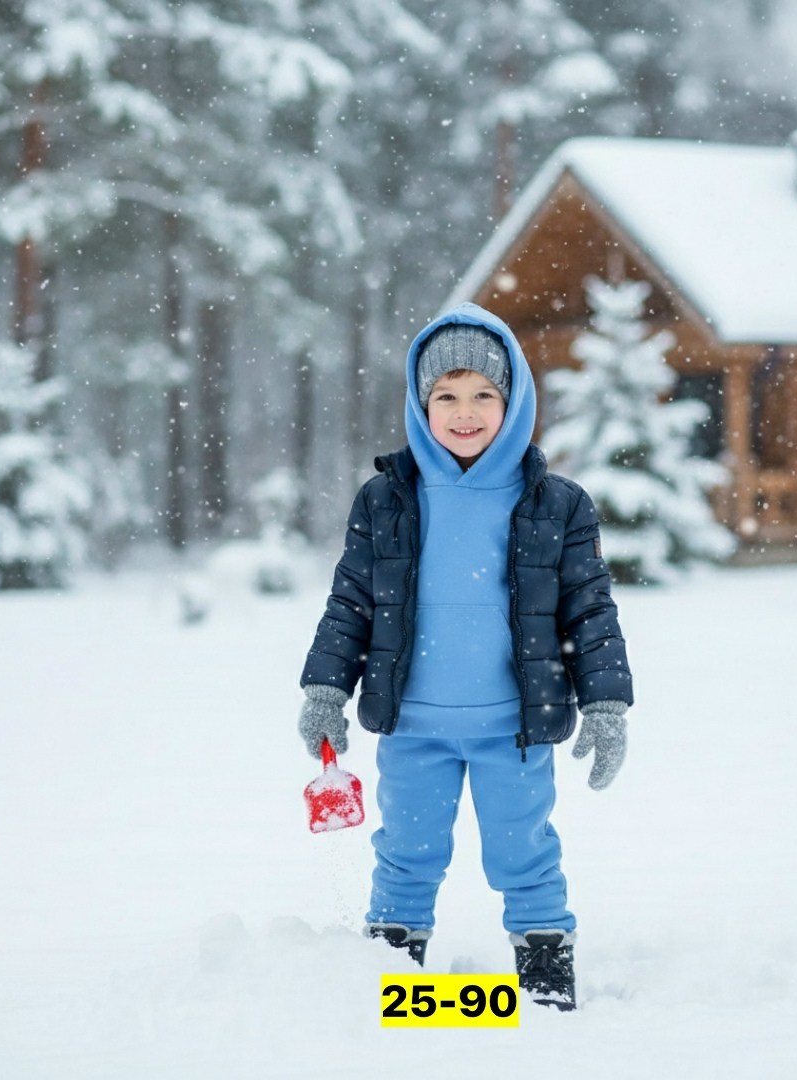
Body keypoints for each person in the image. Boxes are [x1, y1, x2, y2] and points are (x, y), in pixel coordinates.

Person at [298, 302, 633, 1011]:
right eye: (445, 395)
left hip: (514, 726)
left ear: (513, 402)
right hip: (413, 724)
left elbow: (590, 609)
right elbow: (351, 602)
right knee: (406, 856)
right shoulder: (388, 499)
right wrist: (326, 690)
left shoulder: (557, 504)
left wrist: (605, 703)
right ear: (422, 405)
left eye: (484, 394)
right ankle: (396, 982)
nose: (465, 412)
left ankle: (542, 987)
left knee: (524, 852)